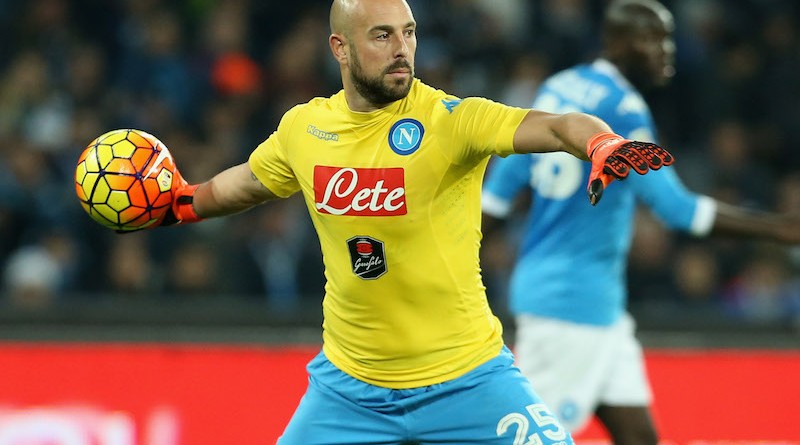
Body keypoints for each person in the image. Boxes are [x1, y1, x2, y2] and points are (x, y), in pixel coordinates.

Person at [150, 0, 675, 443]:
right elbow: (245, 183)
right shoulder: (304, 129)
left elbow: (557, 126)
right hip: (349, 391)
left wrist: (601, 141)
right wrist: (181, 203)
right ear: (340, 48)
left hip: (468, 380)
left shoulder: (452, 120)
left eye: (409, 33)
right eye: (382, 35)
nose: (401, 48)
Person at [481, 1, 800, 445]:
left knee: (640, 439)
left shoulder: (561, 85)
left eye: (667, 37)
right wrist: (780, 229)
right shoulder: (624, 110)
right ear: (616, 41)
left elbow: (501, 188)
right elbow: (677, 210)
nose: (665, 49)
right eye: (652, 37)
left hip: (589, 306)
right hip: (571, 310)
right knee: (533, 440)